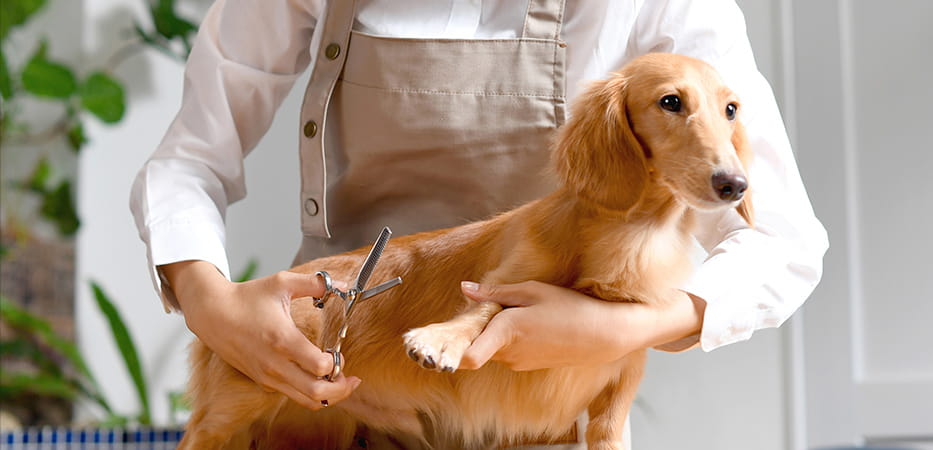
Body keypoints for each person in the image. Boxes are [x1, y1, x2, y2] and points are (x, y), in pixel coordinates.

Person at [130, 0, 828, 443]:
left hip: (534, 417)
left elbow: (782, 243)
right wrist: (209, 302)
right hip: (333, 395)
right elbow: (188, 158)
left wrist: (623, 328)